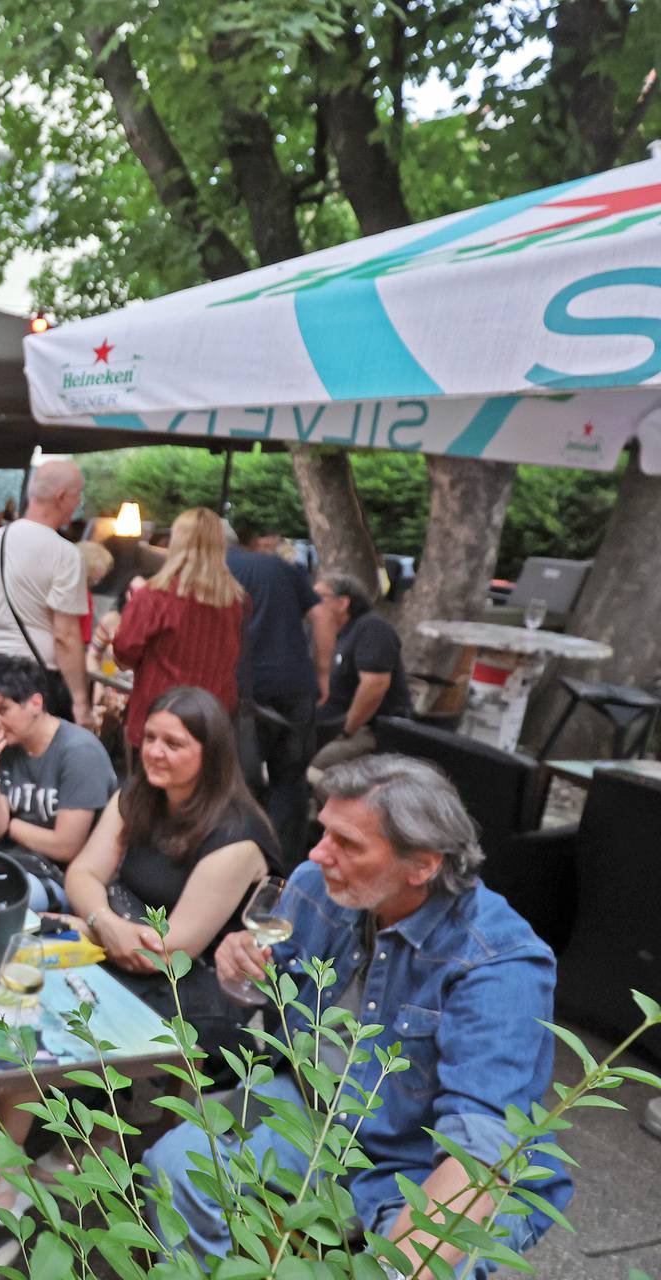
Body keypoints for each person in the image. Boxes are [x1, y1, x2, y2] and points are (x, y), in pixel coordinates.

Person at [152, 754, 569, 1277]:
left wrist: (402, 1263)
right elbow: (263, 986)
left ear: (423, 864)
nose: (318, 853)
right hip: (312, 1104)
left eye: (347, 843)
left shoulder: (498, 962)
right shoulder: (314, 884)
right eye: (323, 830)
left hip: (422, 1157)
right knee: (175, 1166)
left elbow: (478, 1150)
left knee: (427, 1266)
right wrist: (238, 966)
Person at [63, 686, 277, 1067]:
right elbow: (82, 872)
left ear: (209, 755)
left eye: (173, 744)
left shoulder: (235, 836)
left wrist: (87, 924)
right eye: (150, 738)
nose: (154, 752)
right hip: (127, 943)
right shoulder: (139, 793)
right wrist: (102, 920)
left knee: (75, 1006)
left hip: (200, 986)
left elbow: (167, 954)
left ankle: (86, 1115)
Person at [227, 521, 337, 862]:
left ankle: (242, 862)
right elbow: (322, 616)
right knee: (289, 781)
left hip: (246, 688)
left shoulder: (219, 570)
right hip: (295, 685)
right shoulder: (280, 567)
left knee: (241, 782)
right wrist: (322, 673)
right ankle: (283, 868)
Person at [0, 656, 117, 912]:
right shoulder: (6, 745)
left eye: (3, 710)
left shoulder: (79, 752)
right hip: (12, 859)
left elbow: (66, 846)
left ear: (36, 703)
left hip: (60, 876)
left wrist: (10, 827)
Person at [0, 460, 92, 729]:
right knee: (34, 764)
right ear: (61, 497)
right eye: (78, 495)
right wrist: (80, 701)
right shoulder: (66, 554)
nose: (79, 503)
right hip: (32, 677)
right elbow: (65, 636)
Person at [112, 508, 247, 754]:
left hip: (159, 720)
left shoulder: (155, 596)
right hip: (212, 722)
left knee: (151, 790)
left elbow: (124, 651)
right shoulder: (236, 602)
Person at [309, 571, 413, 774]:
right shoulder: (321, 631)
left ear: (343, 603)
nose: (311, 601)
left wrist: (346, 730)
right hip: (321, 724)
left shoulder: (371, 628)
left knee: (307, 763)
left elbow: (375, 684)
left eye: (320, 596)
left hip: (366, 729)